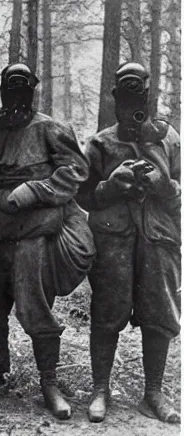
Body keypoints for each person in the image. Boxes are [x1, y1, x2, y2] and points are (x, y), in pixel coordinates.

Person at [0, 63, 95, 419]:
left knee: (34, 307)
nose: (16, 95)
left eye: (24, 87)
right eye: (11, 87)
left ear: (33, 90)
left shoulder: (51, 128)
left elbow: (76, 173)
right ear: (3, 90)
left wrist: (36, 190)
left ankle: (49, 384)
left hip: (34, 232)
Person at [76, 62, 180, 424]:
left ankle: (153, 393)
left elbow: (182, 194)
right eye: (124, 96)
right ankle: (100, 389)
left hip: (158, 239)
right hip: (113, 240)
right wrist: (110, 186)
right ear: (116, 98)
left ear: (148, 97)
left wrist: (164, 186)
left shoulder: (170, 140)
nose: (131, 105)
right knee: (107, 311)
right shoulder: (101, 143)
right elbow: (83, 194)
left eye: (138, 96)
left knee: (158, 314)